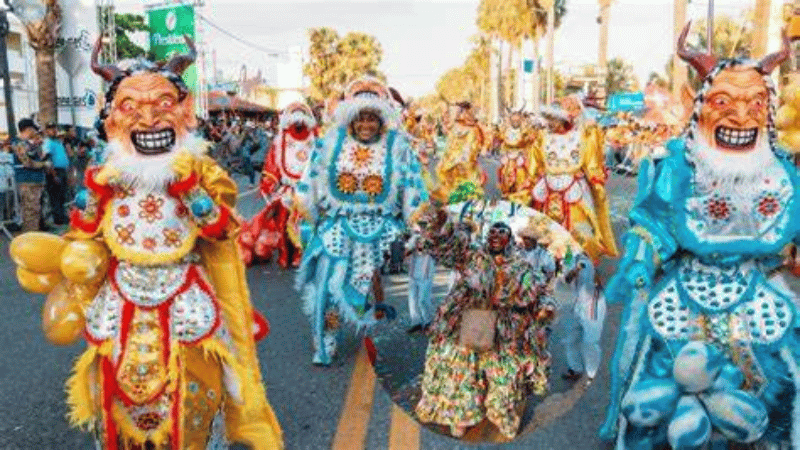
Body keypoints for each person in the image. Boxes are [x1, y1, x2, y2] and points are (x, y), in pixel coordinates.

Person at [8, 38, 283, 449]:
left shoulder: (201, 168)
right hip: (120, 300)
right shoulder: (105, 171)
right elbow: (85, 232)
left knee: (199, 396)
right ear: (114, 118)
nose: (149, 118)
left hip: (186, 298)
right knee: (116, 403)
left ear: (183, 112)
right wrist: (90, 211)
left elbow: (222, 230)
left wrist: (189, 189)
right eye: (132, 107)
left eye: (163, 104)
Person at [601, 28, 800, 450]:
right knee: (658, 383)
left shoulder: (780, 172)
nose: (742, 116)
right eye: (724, 102)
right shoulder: (679, 166)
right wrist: (643, 257)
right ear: (702, 107)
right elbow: (652, 222)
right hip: (686, 291)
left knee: (783, 381)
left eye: (755, 104)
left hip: (755, 293)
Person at [295, 76, 428, 365]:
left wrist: (413, 227)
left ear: (382, 118)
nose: (366, 124)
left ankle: (369, 336)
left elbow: (412, 187)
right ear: (350, 118)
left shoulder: (398, 146)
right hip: (338, 228)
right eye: (360, 118)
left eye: (372, 118)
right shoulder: (328, 143)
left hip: (379, 229)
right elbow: (310, 184)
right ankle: (326, 340)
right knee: (328, 289)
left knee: (366, 289)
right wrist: (312, 218)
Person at [414, 208, 555, 440]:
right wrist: (440, 225)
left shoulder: (520, 266)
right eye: (492, 232)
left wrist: (544, 309)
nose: (495, 236)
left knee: (504, 373)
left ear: (509, 239)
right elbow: (451, 246)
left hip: (505, 325)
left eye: (501, 232)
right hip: (471, 317)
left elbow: (539, 291)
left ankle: (502, 413)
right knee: (457, 362)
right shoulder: (474, 256)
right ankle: (460, 415)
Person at [512, 100, 618, 263]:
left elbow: (591, 163)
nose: (549, 123)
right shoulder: (543, 137)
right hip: (547, 190)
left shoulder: (581, 137)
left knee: (582, 233)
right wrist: (528, 181)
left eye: (553, 119)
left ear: (563, 120)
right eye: (548, 119)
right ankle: (547, 265)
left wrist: (596, 182)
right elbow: (534, 162)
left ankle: (581, 267)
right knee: (542, 230)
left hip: (574, 190)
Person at [240, 102, 319, 268]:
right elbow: (272, 163)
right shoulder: (280, 140)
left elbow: (322, 163)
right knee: (282, 223)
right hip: (287, 190)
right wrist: (268, 182)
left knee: (304, 224)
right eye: (294, 117)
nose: (298, 122)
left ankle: (300, 253)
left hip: (308, 190)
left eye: (302, 116)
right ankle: (284, 253)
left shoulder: (315, 139)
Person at [560, 253, 605, 381]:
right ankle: (575, 369)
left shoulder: (593, 260)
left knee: (590, 341)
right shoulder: (570, 258)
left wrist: (595, 274)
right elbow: (566, 279)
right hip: (575, 306)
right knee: (571, 340)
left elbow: (599, 284)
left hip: (590, 306)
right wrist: (576, 270)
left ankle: (592, 369)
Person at [434, 102, 486, 202]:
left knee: (467, 186)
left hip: (464, 162)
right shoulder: (455, 127)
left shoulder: (472, 129)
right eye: (455, 111)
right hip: (452, 160)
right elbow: (450, 144)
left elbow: (471, 147)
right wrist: (446, 157)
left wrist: (462, 158)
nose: (455, 114)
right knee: (444, 174)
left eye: (458, 111)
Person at [12, 118, 49, 231]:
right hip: (28, 182)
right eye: (33, 129)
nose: (35, 132)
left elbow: (37, 156)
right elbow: (27, 163)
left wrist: (38, 146)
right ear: (28, 129)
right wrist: (44, 164)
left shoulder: (28, 144)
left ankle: (34, 238)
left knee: (35, 212)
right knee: (30, 214)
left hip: (35, 182)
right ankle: (29, 240)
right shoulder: (18, 144)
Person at [498, 110, 538, 196]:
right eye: (513, 121)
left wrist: (527, 140)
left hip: (520, 155)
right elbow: (503, 140)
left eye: (517, 120)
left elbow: (530, 141)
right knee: (504, 171)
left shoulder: (525, 131)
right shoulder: (506, 130)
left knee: (521, 172)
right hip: (509, 156)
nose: (515, 122)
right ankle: (506, 191)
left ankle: (521, 191)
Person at [42, 123, 70, 225]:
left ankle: (62, 216)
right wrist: (54, 175)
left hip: (62, 170)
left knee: (62, 195)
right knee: (55, 196)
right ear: (46, 131)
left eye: (54, 128)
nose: (53, 130)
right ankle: (58, 219)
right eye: (50, 129)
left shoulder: (58, 142)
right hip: (55, 171)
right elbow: (48, 160)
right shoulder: (48, 142)